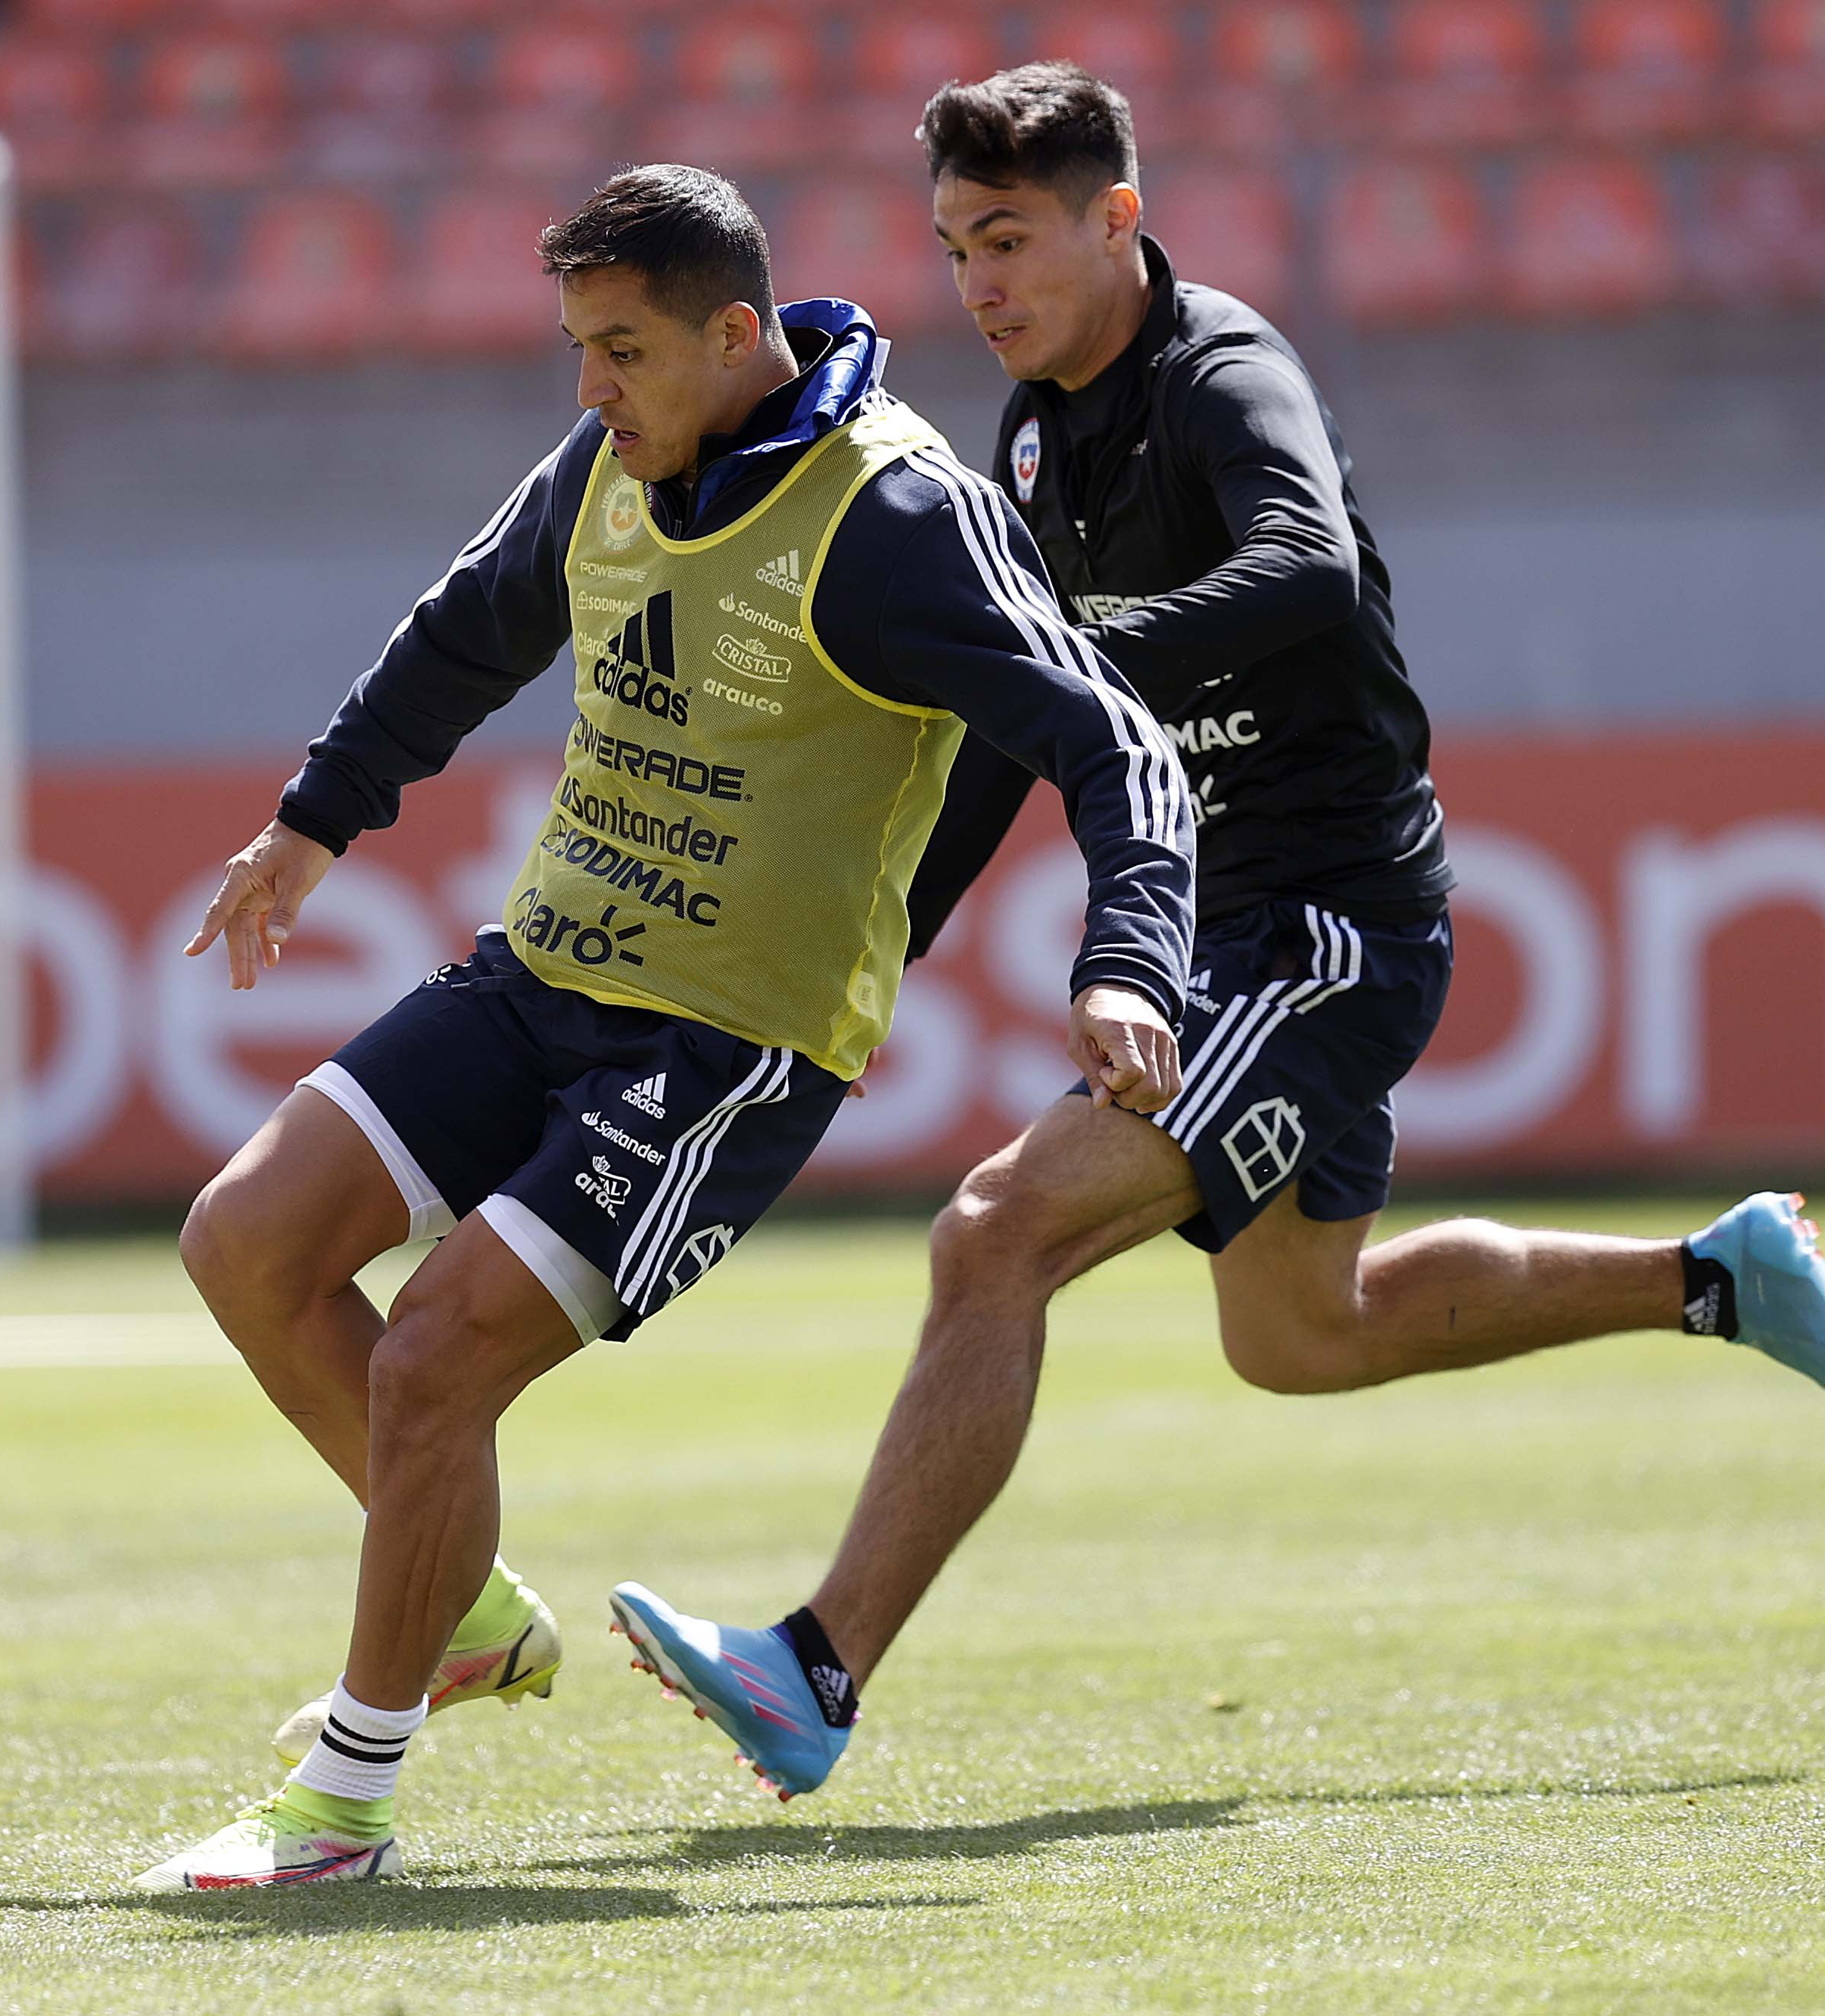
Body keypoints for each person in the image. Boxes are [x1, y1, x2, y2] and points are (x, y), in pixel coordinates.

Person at [606, 63, 1825, 1803]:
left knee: (993, 1234)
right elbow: (1011, 734)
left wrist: (1079, 666)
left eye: (1007, 239)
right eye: (949, 245)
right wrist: (869, 946)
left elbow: (1302, 566)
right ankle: (1716, 1274)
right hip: (1239, 927)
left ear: (1114, 220)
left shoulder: (1222, 372)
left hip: (1323, 917)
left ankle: (815, 1666)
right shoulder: (1035, 436)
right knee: (1301, 1334)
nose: (976, 283)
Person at [139, 164, 1197, 1890]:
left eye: (617, 350)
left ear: (734, 334)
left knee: (431, 1358)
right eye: (573, 346)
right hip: (540, 976)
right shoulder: (612, 462)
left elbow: (1113, 739)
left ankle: (339, 1804)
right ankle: (461, 1602)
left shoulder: (895, 515)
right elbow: (465, 631)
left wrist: (1128, 959)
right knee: (245, 1239)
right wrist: (310, 821)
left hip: (717, 1048)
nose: (586, 389)